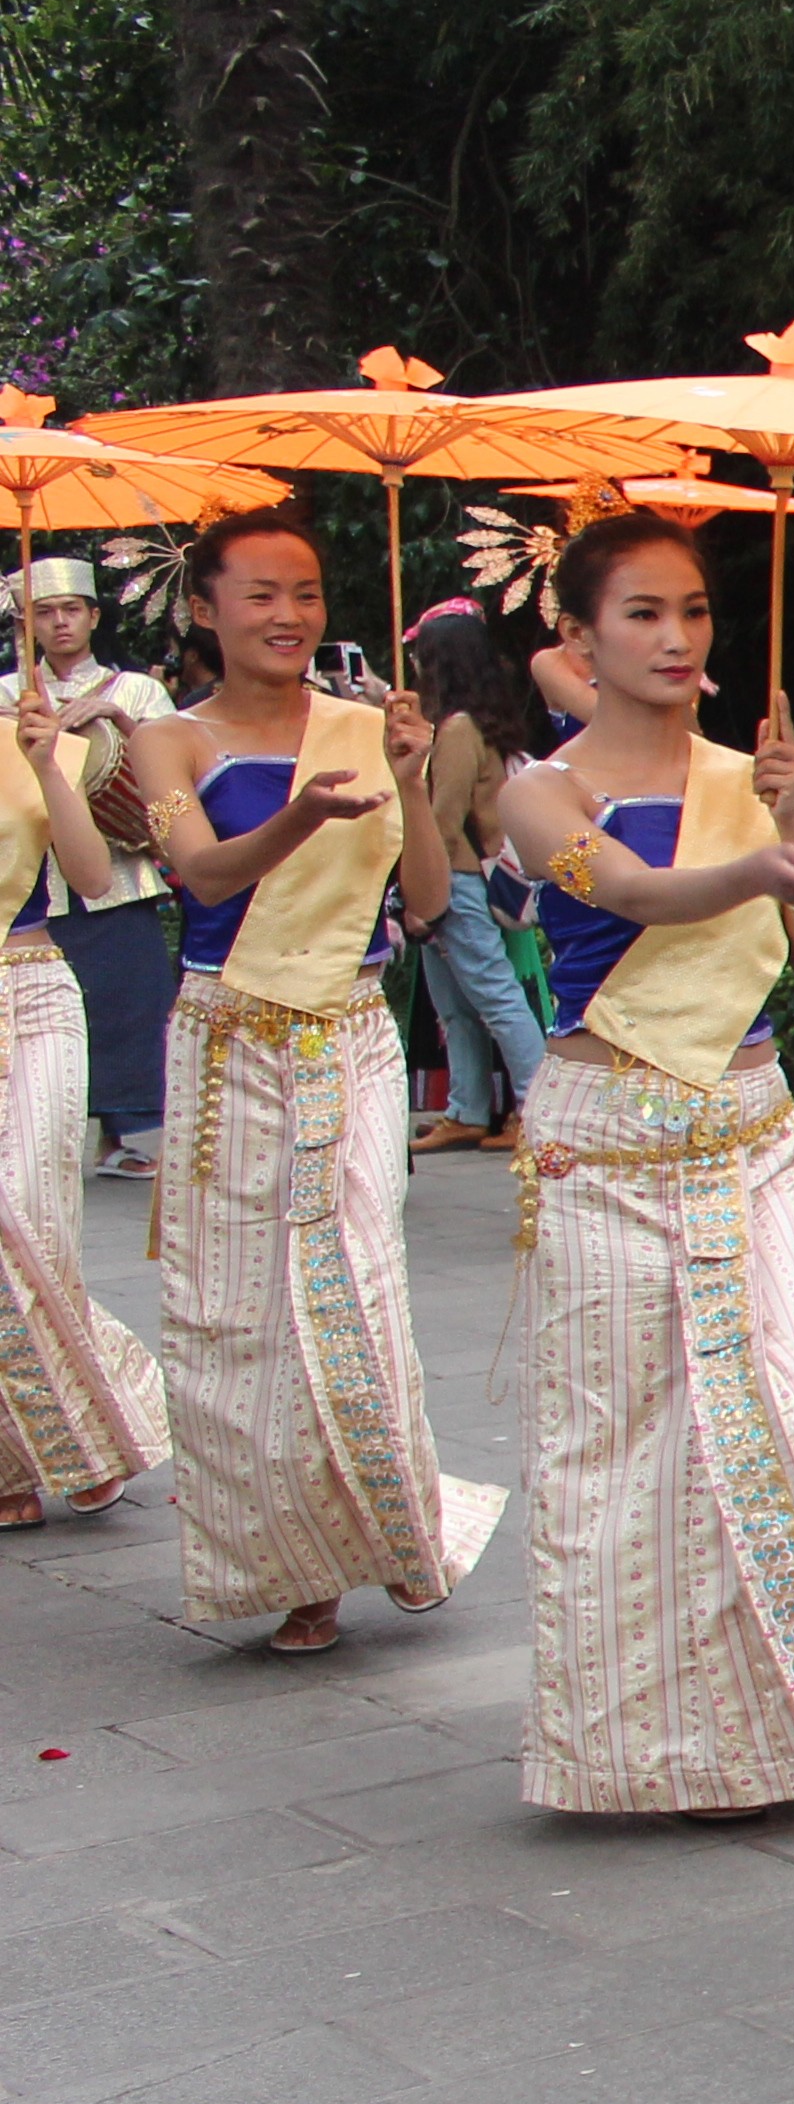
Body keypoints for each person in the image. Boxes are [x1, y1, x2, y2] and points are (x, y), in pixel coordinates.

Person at [490, 513, 794, 1816]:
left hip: (751, 1130)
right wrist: (752, 855)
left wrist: (792, 823)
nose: (675, 637)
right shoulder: (542, 792)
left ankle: (770, 1736)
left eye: (695, 611)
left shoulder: (756, 778)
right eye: (643, 613)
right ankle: (622, 1751)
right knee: (618, 1449)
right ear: (580, 636)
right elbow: (631, 894)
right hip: (604, 1136)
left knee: (785, 1413)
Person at [128, 509, 498, 1652]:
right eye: (261, 595)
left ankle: (394, 1530)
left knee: (353, 1282)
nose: (288, 616)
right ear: (206, 609)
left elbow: (424, 902)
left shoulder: (369, 727)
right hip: (227, 1039)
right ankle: (296, 1568)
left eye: (307, 594)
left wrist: (408, 777)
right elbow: (200, 874)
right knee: (241, 1311)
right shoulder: (168, 741)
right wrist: (302, 812)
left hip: (348, 1034)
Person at [0, 606, 162, 1528]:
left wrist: (46, 765)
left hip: (32, 992)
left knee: (28, 1218)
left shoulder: (31, 736)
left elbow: (93, 877)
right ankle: (29, 1453)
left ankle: (81, 1431)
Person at [30, 562, 178, 1182]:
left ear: (93, 616)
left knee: (126, 1006)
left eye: (72, 609)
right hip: (33, 883)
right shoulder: (11, 695)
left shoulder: (137, 691)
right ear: (27, 623)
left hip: (120, 876)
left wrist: (121, 724)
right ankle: (41, 1136)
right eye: (44, 612)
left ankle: (122, 1134)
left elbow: (174, 782)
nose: (60, 623)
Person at [401, 602, 550, 1159]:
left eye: (422, 654)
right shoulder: (478, 721)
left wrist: (419, 899)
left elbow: (443, 818)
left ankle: (535, 1107)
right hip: (461, 877)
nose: (416, 664)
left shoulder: (457, 728)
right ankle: (466, 1110)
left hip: (453, 879)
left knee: (492, 995)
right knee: (457, 1006)